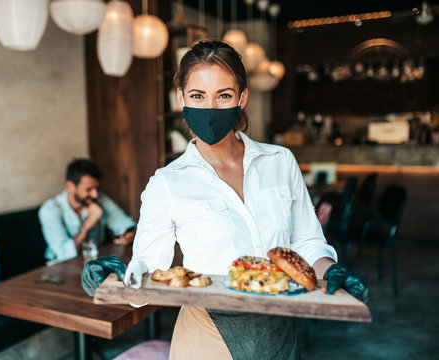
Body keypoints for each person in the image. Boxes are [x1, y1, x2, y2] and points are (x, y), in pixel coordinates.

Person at [82, 41, 368, 359]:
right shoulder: (167, 183)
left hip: (280, 334)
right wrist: (112, 280)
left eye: (224, 95)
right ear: (181, 98)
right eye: (197, 96)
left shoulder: (280, 161)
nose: (210, 108)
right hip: (208, 336)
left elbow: (308, 243)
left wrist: (331, 272)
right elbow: (149, 272)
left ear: (242, 98)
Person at [38, 158, 136, 263]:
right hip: (60, 267)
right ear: (70, 186)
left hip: (94, 263)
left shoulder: (99, 199)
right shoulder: (49, 210)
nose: (95, 194)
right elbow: (64, 254)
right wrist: (88, 223)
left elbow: (126, 225)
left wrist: (130, 235)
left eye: (97, 188)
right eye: (88, 189)